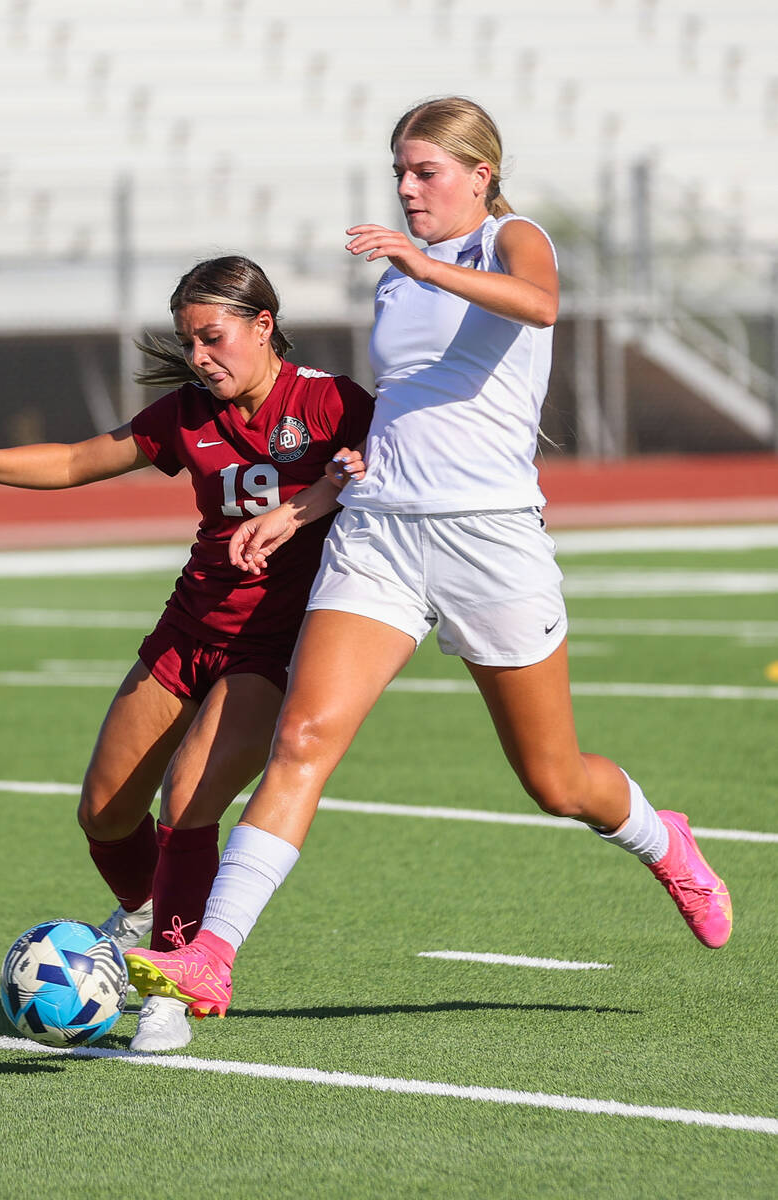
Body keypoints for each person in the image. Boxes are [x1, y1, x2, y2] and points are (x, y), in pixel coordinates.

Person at [123, 97, 733, 1024]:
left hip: (488, 537)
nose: (406, 189)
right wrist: (312, 502)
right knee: (302, 741)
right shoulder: (395, 278)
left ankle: (663, 841)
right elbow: (404, 416)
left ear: (478, 174)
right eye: (399, 172)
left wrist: (423, 261)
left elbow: (539, 305)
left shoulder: (510, 237)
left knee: (554, 779)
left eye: (425, 172)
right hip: (381, 533)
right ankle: (212, 955)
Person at [0, 254, 373, 1051]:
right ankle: (143, 912)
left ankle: (170, 981)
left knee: (189, 801)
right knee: (103, 811)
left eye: (213, 337)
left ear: (262, 326)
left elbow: (399, 466)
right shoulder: (185, 414)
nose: (200, 357)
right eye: (188, 341)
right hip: (186, 629)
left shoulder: (333, 403)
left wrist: (341, 489)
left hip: (272, 646)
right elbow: (74, 460)